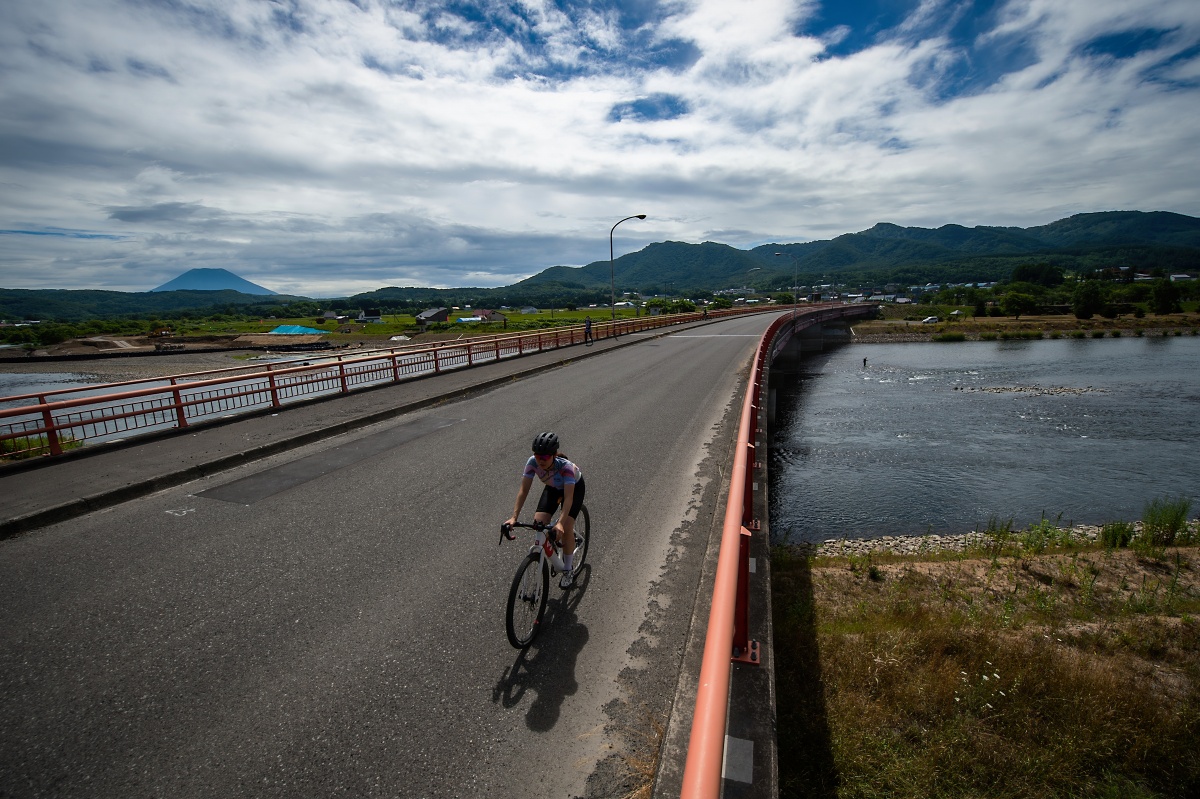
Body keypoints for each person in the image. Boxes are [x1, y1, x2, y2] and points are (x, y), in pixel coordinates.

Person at [505, 432, 586, 588]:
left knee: (567, 526)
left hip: (573, 489)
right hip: (553, 488)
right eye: (537, 456)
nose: (540, 460)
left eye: (545, 457)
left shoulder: (566, 468)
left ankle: (568, 569)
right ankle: (554, 539)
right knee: (539, 523)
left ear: (554, 455)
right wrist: (514, 517)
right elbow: (524, 490)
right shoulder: (532, 462)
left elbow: (568, 498)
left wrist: (561, 523)